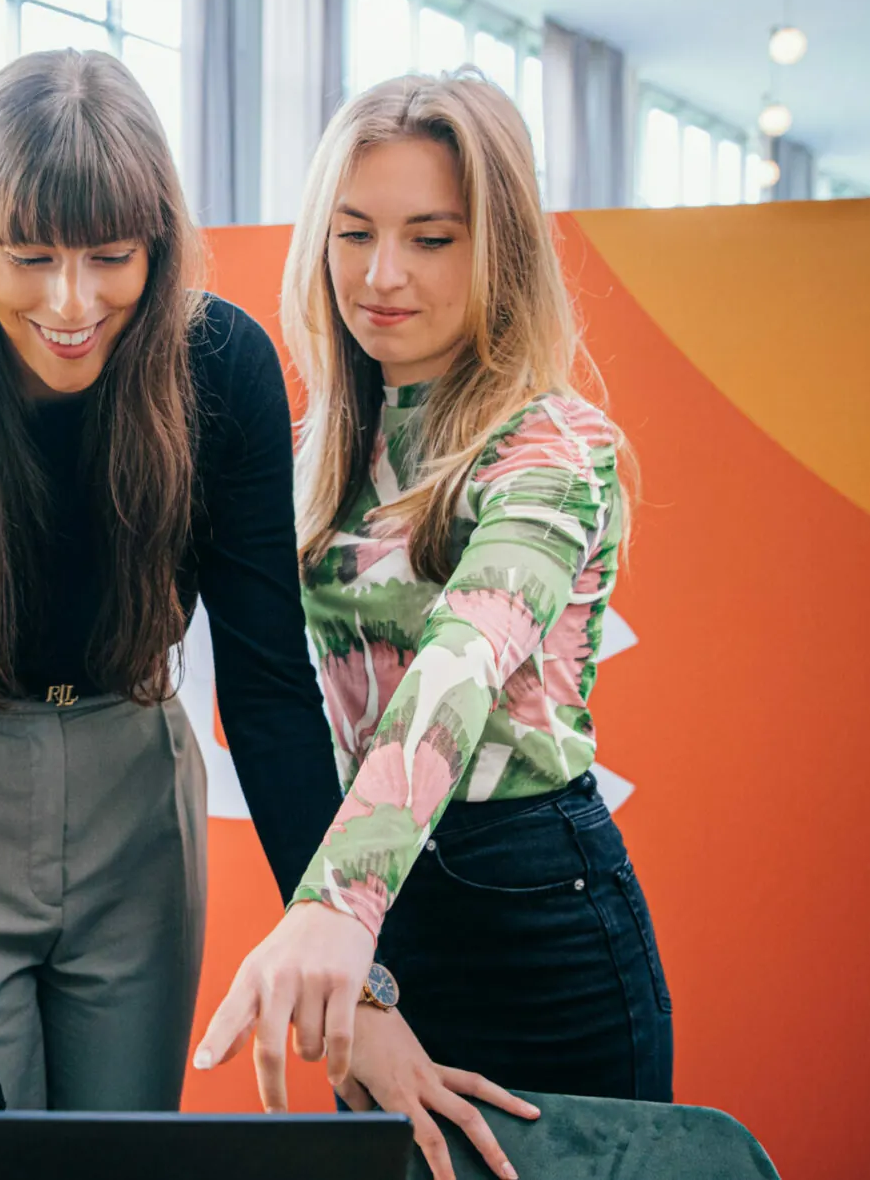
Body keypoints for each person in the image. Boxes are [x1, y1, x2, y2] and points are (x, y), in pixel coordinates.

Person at [0, 49, 346, 1112]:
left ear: (158, 242)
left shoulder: (221, 369)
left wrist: (348, 940)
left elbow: (269, 692)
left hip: (131, 787)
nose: (73, 301)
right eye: (31, 257)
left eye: (111, 255)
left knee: (118, 1150)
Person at [194, 72, 672, 1180]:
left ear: (498, 248)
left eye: (431, 237)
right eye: (354, 232)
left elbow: (455, 671)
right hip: (385, 927)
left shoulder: (556, 446)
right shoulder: (317, 454)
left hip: (536, 920)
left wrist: (333, 906)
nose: (382, 275)